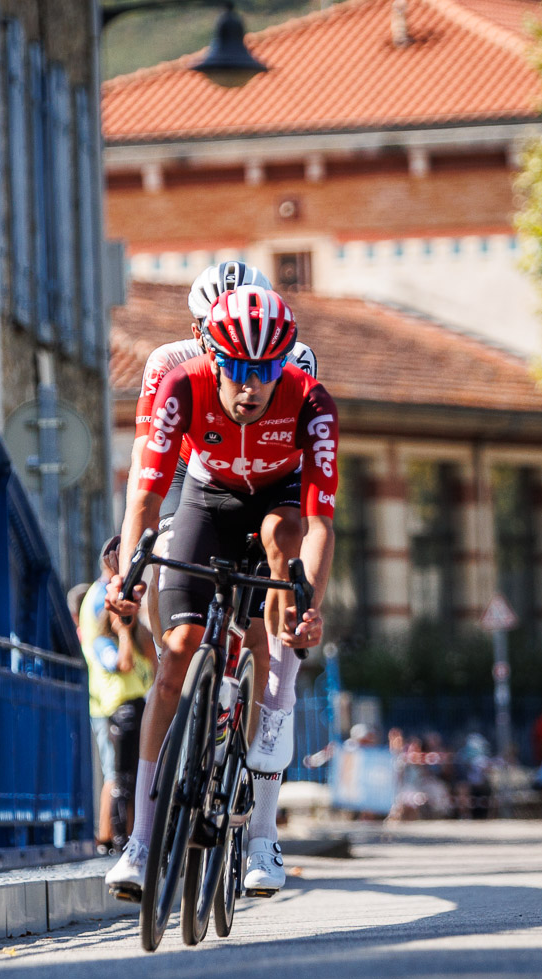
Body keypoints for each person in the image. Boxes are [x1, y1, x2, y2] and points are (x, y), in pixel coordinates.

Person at [105, 285, 338, 900]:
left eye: (264, 371)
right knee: (178, 648)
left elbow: (319, 523)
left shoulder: (310, 401)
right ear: (210, 355)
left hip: (278, 502)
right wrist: (131, 569)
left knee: (279, 555)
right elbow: (147, 495)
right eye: (234, 368)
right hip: (207, 498)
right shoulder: (182, 386)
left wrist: (308, 603)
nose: (249, 386)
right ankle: (141, 841)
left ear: (283, 364)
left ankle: (263, 837)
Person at [126, 261, 321, 784]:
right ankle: (174, 669)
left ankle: (254, 787)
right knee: (168, 544)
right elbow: (148, 465)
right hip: (195, 467)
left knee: (266, 614)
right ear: (198, 332)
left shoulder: (296, 363)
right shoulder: (171, 364)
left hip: (272, 480)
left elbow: (302, 469)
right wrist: (137, 556)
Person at [74, 546, 156, 854]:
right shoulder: (100, 599)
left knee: (125, 774)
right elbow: (114, 657)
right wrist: (124, 631)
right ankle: (111, 837)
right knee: (118, 775)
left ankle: (119, 835)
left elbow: (149, 657)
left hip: (123, 700)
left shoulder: (106, 598)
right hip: (113, 701)